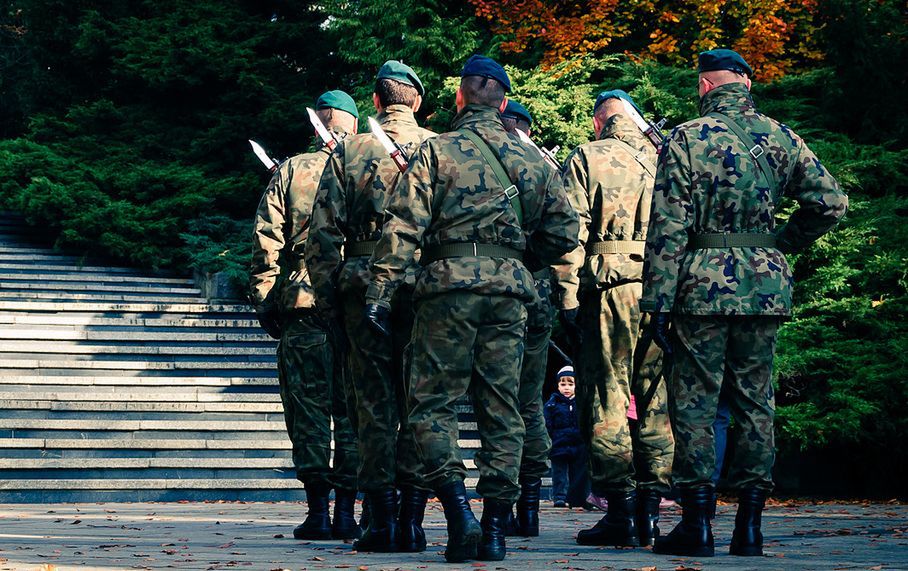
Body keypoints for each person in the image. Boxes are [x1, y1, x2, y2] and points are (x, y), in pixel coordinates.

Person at [363, 55, 580, 563]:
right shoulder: (533, 161)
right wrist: (520, 261)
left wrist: (381, 292)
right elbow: (565, 233)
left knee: (433, 405)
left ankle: (460, 514)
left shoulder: (436, 152)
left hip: (445, 292)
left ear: (459, 97)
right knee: (502, 407)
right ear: (503, 101)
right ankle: (498, 527)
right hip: (510, 296)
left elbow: (403, 227)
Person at [641, 48, 848, 557]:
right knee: (756, 402)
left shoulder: (688, 138)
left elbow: (668, 227)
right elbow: (831, 203)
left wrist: (657, 301)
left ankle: (697, 524)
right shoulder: (783, 136)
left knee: (694, 404)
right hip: (764, 286)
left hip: (700, 287)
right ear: (747, 84)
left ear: (706, 87)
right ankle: (750, 527)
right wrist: (779, 245)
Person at [306, 61, 435, 553]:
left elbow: (323, 233)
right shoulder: (440, 147)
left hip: (361, 287)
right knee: (421, 403)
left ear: (377, 103)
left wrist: (329, 293)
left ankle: (381, 521)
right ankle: (413, 519)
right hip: (422, 287)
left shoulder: (350, 150)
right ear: (416, 103)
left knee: (374, 406)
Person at [555, 89, 674, 548]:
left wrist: (566, 296)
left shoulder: (589, 155)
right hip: (662, 291)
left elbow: (571, 232)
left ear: (598, 121)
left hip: (609, 288)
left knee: (608, 394)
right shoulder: (666, 159)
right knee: (657, 399)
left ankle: (620, 512)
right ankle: (651, 510)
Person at [250, 90, 361, 541]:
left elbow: (266, 241)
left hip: (302, 300)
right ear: (352, 123)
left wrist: (265, 299)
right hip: (355, 300)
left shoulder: (291, 170)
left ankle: (317, 512)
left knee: (308, 409)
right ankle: (349, 512)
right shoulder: (366, 167)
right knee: (355, 409)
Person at [500, 99, 554, 537]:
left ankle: (503, 506)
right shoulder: (543, 166)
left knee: (497, 400)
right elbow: (564, 233)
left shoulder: (476, 155)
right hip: (537, 291)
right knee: (528, 399)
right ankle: (530, 507)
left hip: (495, 289)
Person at [544, 366, 589, 509]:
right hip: (559, 442)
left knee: (577, 471)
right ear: (558, 385)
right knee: (559, 473)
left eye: (570, 384)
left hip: (577, 443)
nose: (566, 388)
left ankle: (577, 497)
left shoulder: (581, 402)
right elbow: (548, 423)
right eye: (563, 384)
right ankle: (560, 497)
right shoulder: (552, 403)